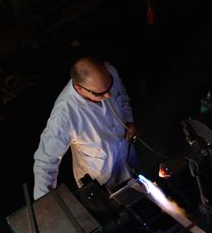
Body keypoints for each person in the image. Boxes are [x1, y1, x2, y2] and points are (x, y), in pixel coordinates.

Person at [32, 57, 138, 200]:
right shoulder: (64, 115)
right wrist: (46, 205)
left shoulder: (109, 72)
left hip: (127, 154)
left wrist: (128, 119)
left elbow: (122, 95)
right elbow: (45, 163)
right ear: (79, 88)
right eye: (99, 93)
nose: (108, 95)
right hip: (101, 179)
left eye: (109, 87)